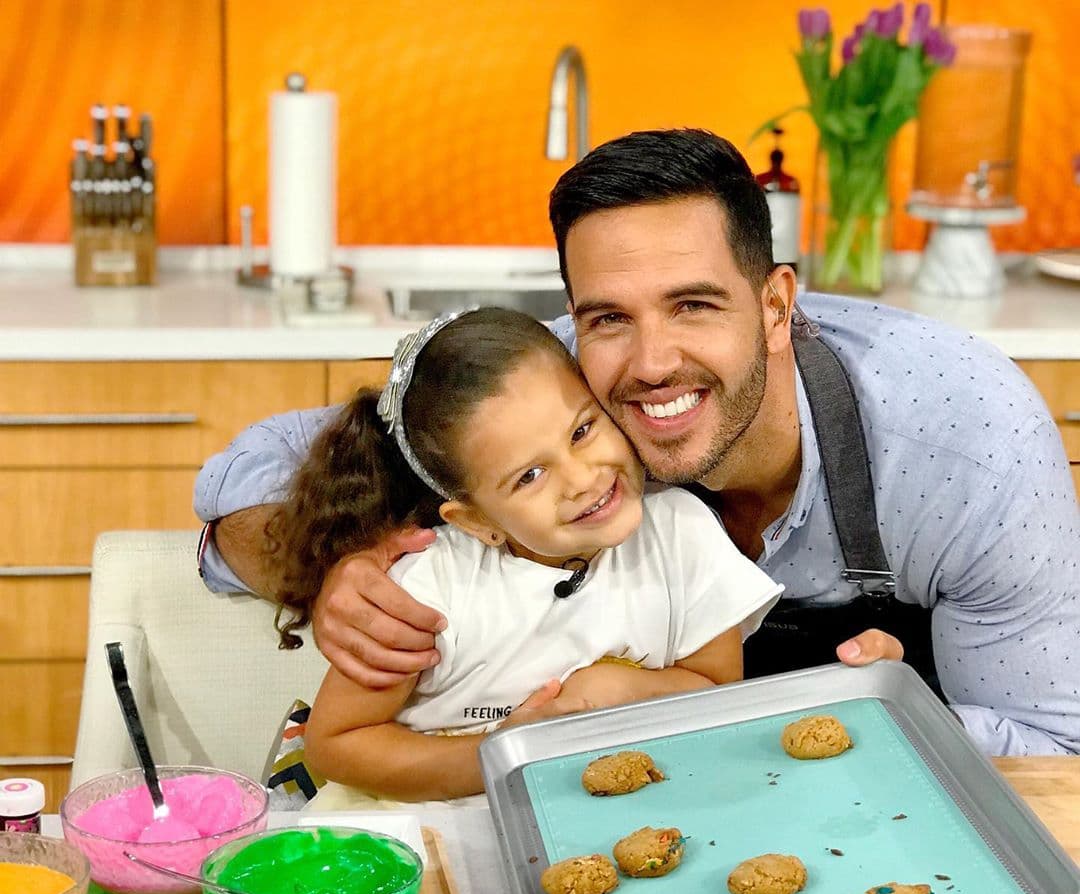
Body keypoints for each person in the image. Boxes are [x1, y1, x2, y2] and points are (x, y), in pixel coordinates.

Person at [195, 128, 1080, 757]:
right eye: (609, 317)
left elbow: (1051, 747)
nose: (651, 365)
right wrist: (334, 564)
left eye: (694, 305)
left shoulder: (966, 446)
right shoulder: (555, 391)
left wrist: (892, 716)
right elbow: (248, 481)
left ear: (777, 306)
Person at [268, 307, 781, 802]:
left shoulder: (683, 536)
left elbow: (717, 693)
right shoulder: (426, 593)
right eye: (529, 476)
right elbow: (336, 745)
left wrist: (618, 692)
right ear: (478, 522)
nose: (583, 479)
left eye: (582, 431)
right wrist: (507, 752)